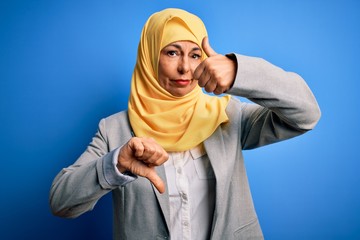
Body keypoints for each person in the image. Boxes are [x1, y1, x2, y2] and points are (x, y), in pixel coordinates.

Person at [50, 8, 320, 240]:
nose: (185, 69)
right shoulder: (114, 129)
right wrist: (116, 163)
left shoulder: (227, 116)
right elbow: (61, 202)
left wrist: (239, 72)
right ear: (149, 57)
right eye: (171, 52)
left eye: (194, 55)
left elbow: (306, 114)